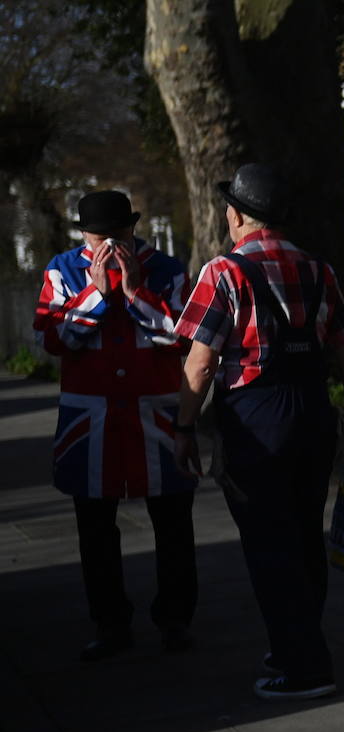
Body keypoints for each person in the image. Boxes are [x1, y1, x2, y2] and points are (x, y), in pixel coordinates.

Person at [171, 163, 344, 701]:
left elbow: (199, 365)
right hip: (311, 411)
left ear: (235, 215)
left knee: (267, 542)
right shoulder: (317, 270)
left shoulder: (224, 273)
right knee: (306, 533)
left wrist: (185, 426)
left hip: (255, 417)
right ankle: (295, 641)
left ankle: (305, 666)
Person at [34, 189, 198, 661]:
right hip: (92, 420)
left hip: (157, 415)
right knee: (96, 529)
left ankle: (175, 620)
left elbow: (183, 336)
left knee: (173, 524)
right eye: (99, 237)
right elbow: (55, 338)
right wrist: (97, 296)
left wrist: (132, 292)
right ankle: (110, 624)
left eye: (119, 236)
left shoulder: (166, 270)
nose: (109, 246)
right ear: (84, 234)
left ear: (133, 229)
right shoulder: (61, 270)